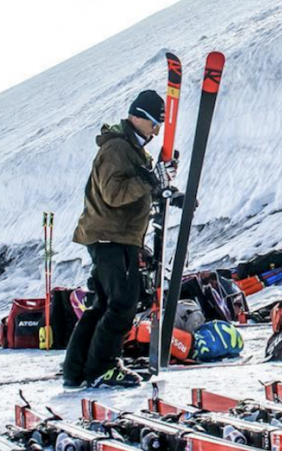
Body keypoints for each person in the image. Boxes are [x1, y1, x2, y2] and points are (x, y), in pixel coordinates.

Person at [63, 90, 167, 388]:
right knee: (122, 303)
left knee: (105, 304)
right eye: (152, 123)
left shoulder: (132, 150)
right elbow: (114, 194)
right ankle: (102, 368)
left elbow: (136, 188)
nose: (155, 131)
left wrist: (159, 188)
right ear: (136, 117)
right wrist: (149, 180)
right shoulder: (117, 149)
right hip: (111, 235)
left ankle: (77, 370)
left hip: (114, 234)